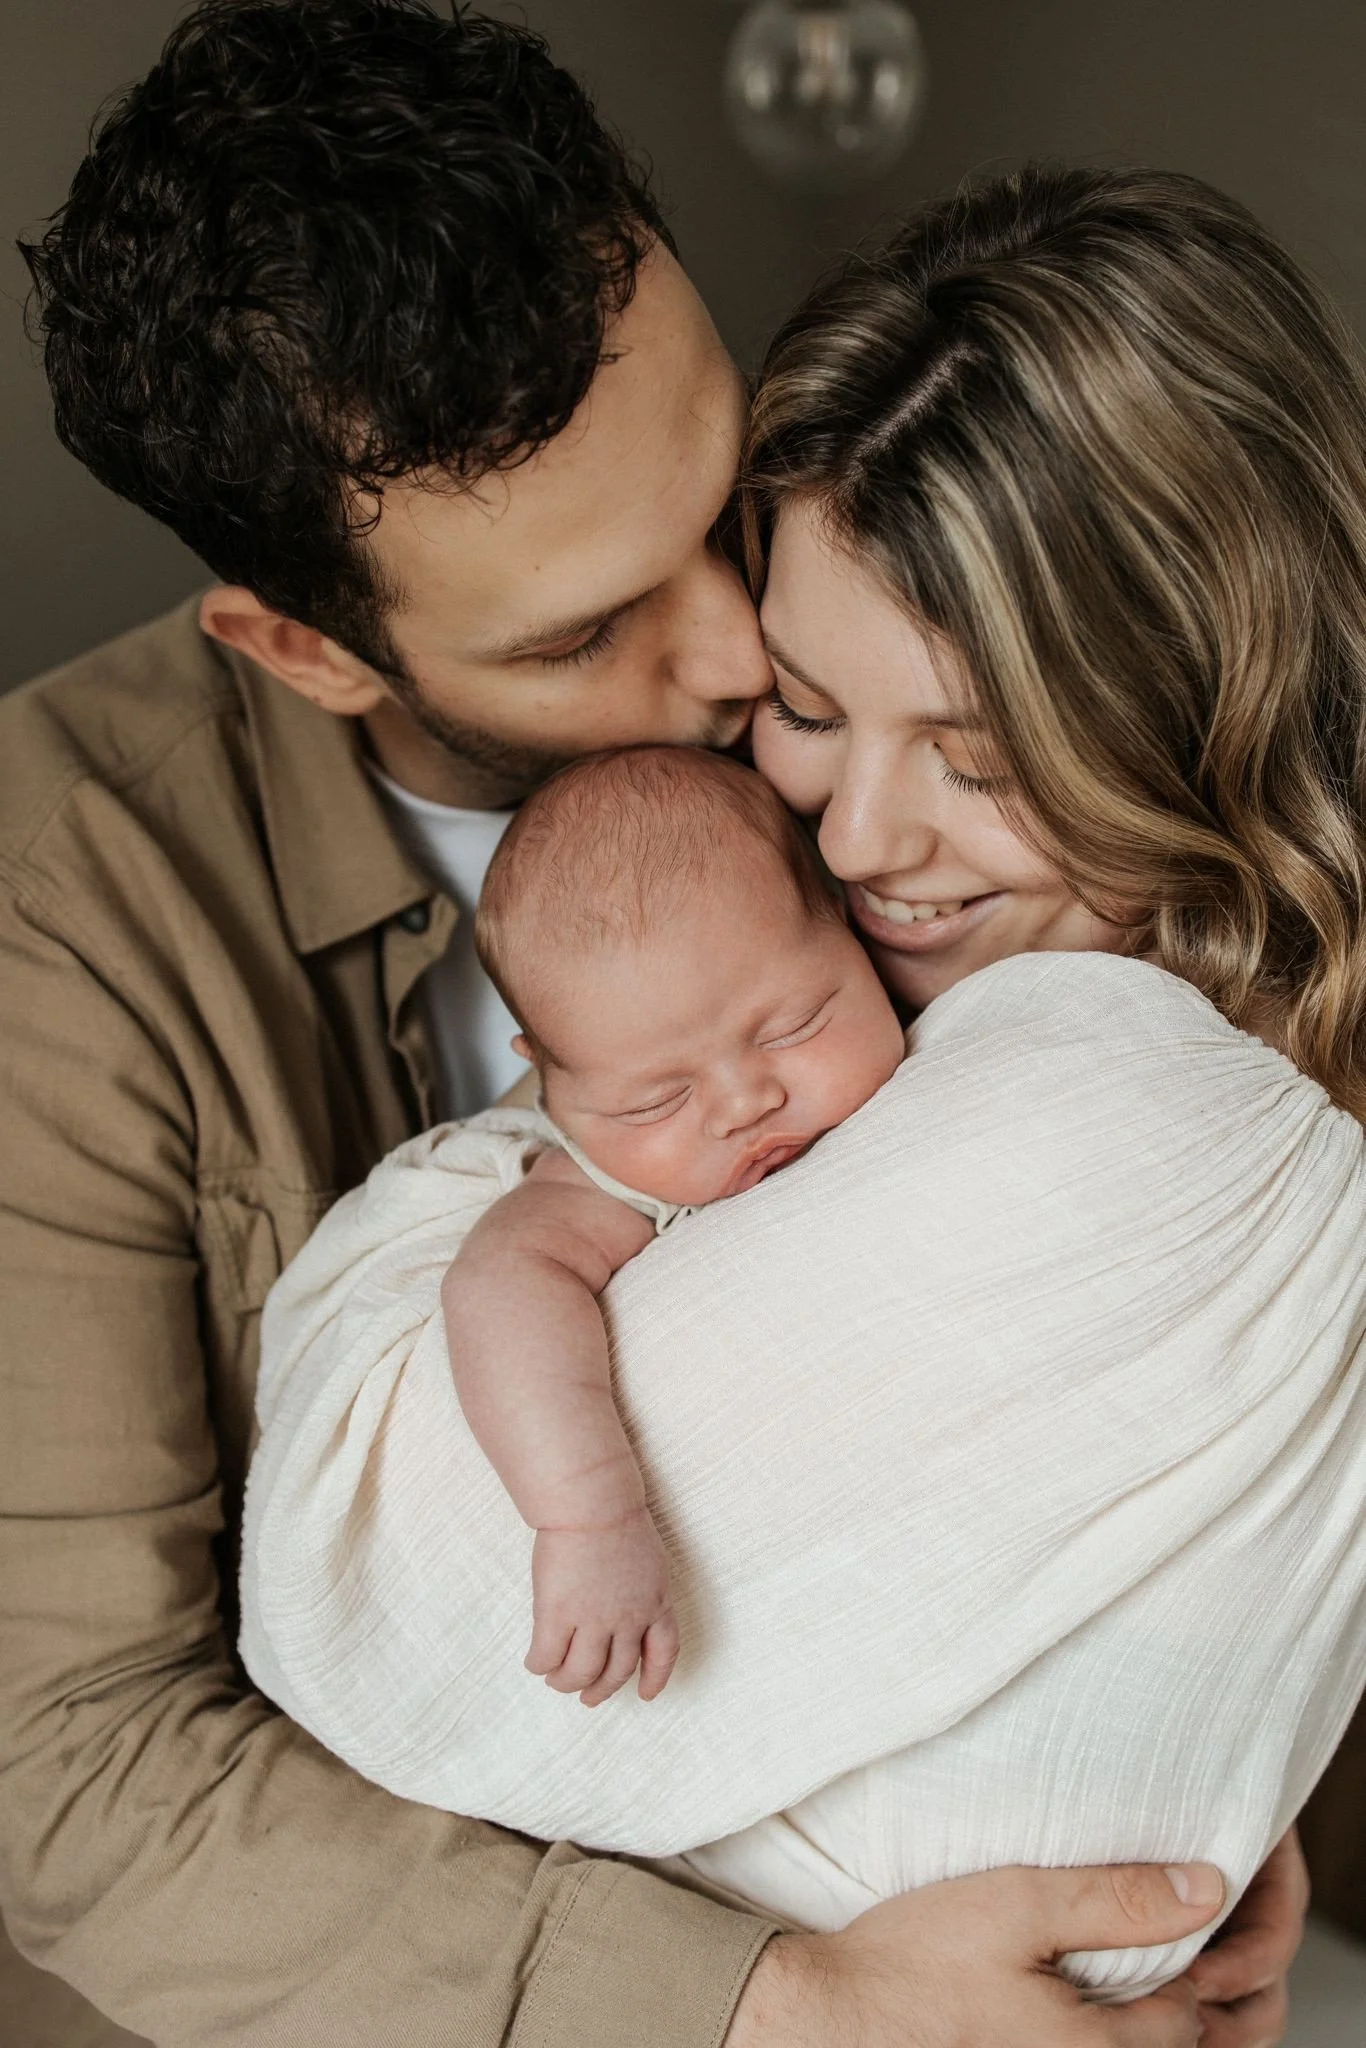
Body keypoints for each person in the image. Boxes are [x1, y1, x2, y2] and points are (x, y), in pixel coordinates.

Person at [0, 5, 1271, 2044]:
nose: (739, 654)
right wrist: (774, 2007)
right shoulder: (61, 924)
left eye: (717, 500)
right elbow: (75, 1771)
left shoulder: (866, 708)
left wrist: (1186, 1758)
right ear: (301, 648)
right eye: (586, 628)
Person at [444, 745, 905, 1709]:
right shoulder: (600, 1186)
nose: (744, 1102)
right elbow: (499, 1289)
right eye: (654, 1100)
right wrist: (588, 1518)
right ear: (551, 1084)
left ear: (854, 931)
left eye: (792, 1026)